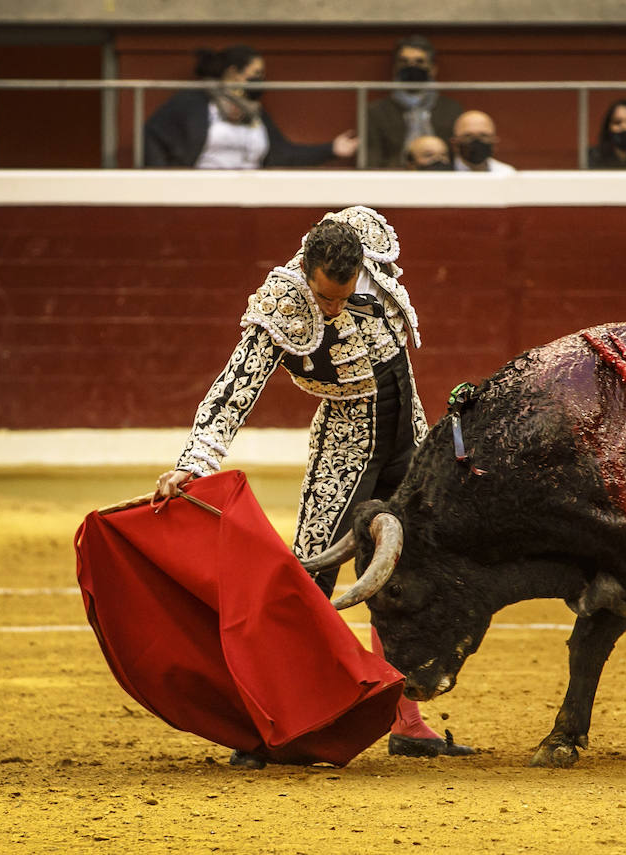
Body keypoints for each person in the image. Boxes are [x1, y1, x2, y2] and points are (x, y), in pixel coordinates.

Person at [155, 206, 474, 764]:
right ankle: (279, 723)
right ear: (305, 270)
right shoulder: (283, 301)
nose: (333, 307)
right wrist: (194, 461)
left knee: (411, 571)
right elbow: (235, 387)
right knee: (312, 577)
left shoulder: (369, 253)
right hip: (346, 441)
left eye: (343, 296)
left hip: (408, 436)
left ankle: (407, 721)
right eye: (325, 297)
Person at [143, 45, 358, 169]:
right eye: (255, 74)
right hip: (199, 196)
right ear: (233, 72)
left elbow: (283, 153)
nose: (260, 80)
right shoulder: (193, 102)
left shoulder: (256, 113)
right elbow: (153, 134)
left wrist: (331, 149)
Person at [366, 35, 464, 169]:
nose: (412, 67)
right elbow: (371, 159)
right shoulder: (377, 111)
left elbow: (458, 159)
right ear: (395, 69)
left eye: (419, 62)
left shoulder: (451, 110)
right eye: (404, 62)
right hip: (394, 181)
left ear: (433, 69)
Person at [450, 110, 515, 172]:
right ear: (455, 143)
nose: (476, 141)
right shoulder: (442, 173)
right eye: (468, 136)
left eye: (483, 136)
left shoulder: (507, 174)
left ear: (494, 141)